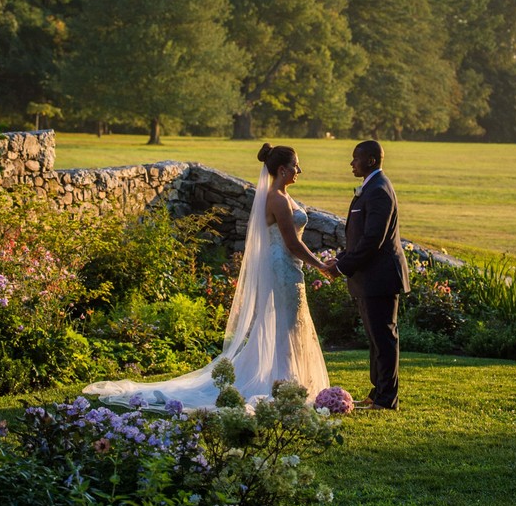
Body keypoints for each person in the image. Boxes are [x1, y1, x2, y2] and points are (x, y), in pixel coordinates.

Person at [84, 143, 332, 410]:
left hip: (288, 264)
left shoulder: (284, 196)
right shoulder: (278, 199)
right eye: (296, 165)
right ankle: (284, 383)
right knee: (287, 322)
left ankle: (290, 381)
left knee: (291, 322)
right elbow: (292, 243)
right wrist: (321, 265)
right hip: (282, 264)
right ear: (282, 169)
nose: (300, 170)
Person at [329, 140, 409, 410]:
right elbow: (360, 238)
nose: (351, 163)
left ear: (371, 161)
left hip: (380, 277)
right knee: (376, 340)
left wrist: (341, 267)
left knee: (384, 339)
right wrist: (340, 258)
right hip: (369, 278)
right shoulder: (371, 187)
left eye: (356, 158)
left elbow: (374, 238)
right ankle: (378, 393)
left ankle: (387, 399)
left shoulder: (378, 191)